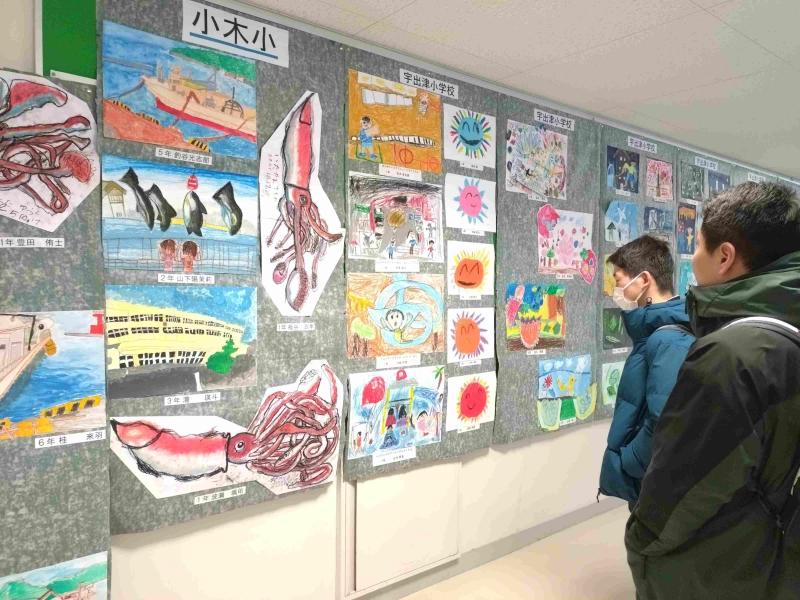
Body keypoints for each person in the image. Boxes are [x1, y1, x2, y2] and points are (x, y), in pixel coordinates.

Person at [626, 182, 800, 599]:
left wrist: (641, 542)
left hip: (719, 565)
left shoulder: (732, 356)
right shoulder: (783, 335)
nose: (692, 258)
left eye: (698, 246)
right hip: (771, 558)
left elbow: (682, 487)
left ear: (725, 257)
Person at [599, 235, 694, 506]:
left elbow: (664, 421)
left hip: (654, 483)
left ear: (643, 280)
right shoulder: (653, 333)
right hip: (649, 480)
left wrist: (630, 462)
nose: (616, 291)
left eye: (618, 281)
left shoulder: (668, 340)